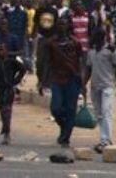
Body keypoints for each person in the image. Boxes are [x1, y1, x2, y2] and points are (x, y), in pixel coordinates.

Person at [41, 16, 85, 147]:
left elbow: (81, 62)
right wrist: (42, 81)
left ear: (68, 26)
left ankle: (66, 136)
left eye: (63, 24)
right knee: (55, 108)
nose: (61, 27)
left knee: (70, 109)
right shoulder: (51, 43)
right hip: (57, 79)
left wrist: (82, 80)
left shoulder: (75, 43)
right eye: (59, 24)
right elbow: (47, 63)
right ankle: (64, 127)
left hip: (73, 79)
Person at [83, 27, 116, 153]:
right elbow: (88, 69)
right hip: (95, 86)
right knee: (99, 114)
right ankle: (104, 138)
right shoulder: (91, 51)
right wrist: (83, 84)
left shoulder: (111, 50)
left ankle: (105, 140)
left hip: (108, 85)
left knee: (106, 111)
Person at [0, 43, 27, 145]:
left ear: (6, 51)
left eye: (2, 50)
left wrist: (16, 80)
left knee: (6, 110)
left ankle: (6, 132)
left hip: (9, 89)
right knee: (2, 112)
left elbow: (23, 69)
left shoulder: (12, 62)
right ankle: (6, 131)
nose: (0, 52)